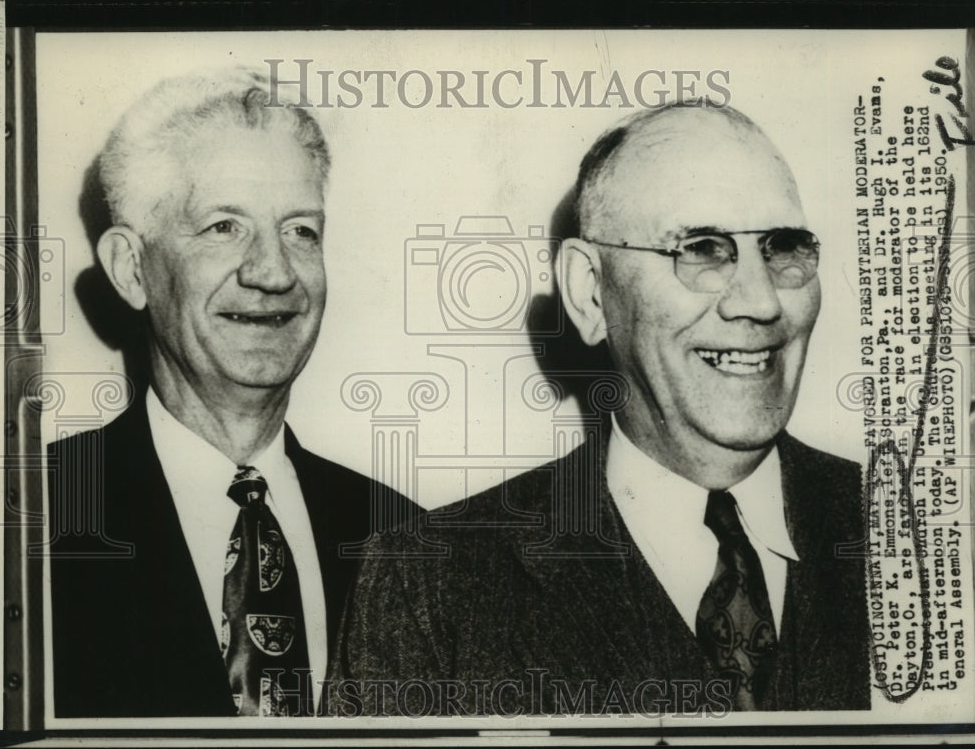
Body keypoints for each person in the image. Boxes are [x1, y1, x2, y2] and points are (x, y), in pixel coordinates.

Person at [333, 104, 869, 715]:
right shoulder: (428, 586)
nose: (762, 301)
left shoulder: (924, 531)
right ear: (589, 292)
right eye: (700, 248)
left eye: (783, 248)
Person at [47, 67, 419, 718]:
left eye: (301, 230)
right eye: (224, 226)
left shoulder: (406, 536)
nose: (274, 272)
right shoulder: (28, 523)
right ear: (132, 270)